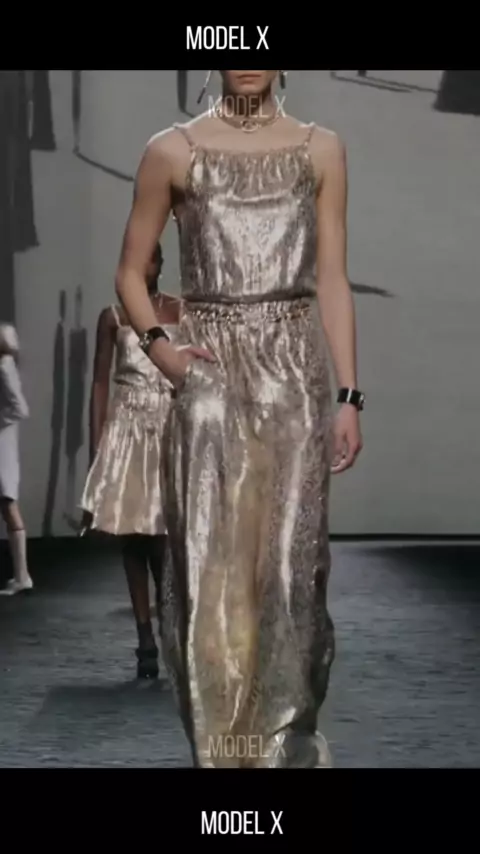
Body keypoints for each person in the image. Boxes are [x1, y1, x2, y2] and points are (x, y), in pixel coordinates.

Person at [115, 70, 364, 766]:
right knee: (209, 573)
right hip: (210, 375)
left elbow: (333, 278)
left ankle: (283, 751)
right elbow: (130, 271)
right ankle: (223, 757)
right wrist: (162, 352)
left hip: (294, 374)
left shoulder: (320, 148)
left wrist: (350, 395)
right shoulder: (173, 149)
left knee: (292, 572)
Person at [81, 244, 181, 679]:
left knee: (164, 537)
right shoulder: (113, 317)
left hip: (169, 427)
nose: (146, 267)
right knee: (131, 536)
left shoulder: (181, 311)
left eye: (152, 260)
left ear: (161, 264)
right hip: (127, 431)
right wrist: (98, 444)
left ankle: (169, 627)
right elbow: (99, 383)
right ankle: (145, 636)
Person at [0, 324, 32, 595]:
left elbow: (20, 409)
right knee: (7, 505)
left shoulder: (4, 366)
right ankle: (20, 575)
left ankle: (22, 576)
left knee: (8, 504)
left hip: (3, 445)